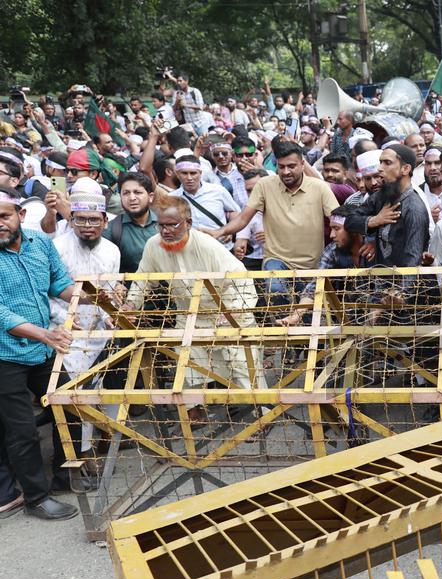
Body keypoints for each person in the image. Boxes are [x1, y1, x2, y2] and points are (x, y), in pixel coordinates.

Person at [125, 196, 262, 422]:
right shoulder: (153, 246)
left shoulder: (206, 245)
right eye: (161, 225)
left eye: (172, 225)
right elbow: (143, 279)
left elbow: (239, 277)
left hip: (225, 311)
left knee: (242, 365)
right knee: (186, 364)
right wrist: (131, 305)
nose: (166, 231)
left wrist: (234, 311)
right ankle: (194, 412)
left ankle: (261, 415)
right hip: (188, 314)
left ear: (187, 222)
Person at [0, 185, 90, 520]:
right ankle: (37, 498)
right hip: (6, 355)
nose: (0, 223)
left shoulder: (40, 243)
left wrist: (94, 296)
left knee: (70, 405)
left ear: (21, 215)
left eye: (5, 216)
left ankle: (65, 474)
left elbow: (59, 284)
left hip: (41, 349)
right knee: (21, 430)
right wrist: (44, 334)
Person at [48, 188, 121, 485]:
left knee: (103, 390)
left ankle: (107, 442)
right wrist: (64, 320)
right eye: (81, 220)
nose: (87, 226)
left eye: (93, 220)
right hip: (67, 333)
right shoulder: (56, 247)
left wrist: (113, 317)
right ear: (71, 219)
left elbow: (112, 291)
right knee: (75, 394)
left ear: (104, 220)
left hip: (102, 332)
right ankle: (82, 453)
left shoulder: (112, 251)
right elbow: (48, 291)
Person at [210, 141, 339, 306]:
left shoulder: (320, 187)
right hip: (276, 259)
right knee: (276, 292)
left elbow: (337, 220)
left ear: (302, 164)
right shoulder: (264, 185)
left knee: (307, 317)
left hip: (311, 266)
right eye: (281, 166)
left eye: (291, 166)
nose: (286, 171)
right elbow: (244, 218)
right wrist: (219, 232)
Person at [344, 144, 429, 268]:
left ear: (405, 169)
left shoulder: (414, 208)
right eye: (380, 162)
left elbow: (412, 262)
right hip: (379, 281)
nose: (379, 168)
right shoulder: (381, 196)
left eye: (387, 163)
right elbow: (350, 221)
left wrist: (399, 288)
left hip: (399, 283)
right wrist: (374, 221)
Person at [169, 155, 241, 248]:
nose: (189, 178)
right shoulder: (171, 198)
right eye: (184, 173)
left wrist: (228, 231)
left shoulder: (217, 191)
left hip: (221, 248)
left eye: (193, 173)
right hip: (190, 250)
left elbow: (234, 212)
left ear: (200, 173)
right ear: (177, 174)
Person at [104, 172, 158, 274]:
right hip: (130, 289)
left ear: (151, 197)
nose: (132, 198)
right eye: (126, 193)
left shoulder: (166, 224)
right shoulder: (112, 229)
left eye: (137, 192)